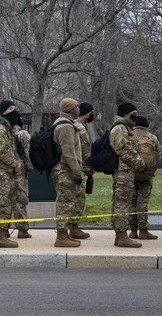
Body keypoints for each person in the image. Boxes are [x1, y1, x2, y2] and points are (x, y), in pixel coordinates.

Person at [109, 102, 147, 248]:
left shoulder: (126, 127)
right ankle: (122, 236)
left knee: (122, 202)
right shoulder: (120, 128)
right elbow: (123, 150)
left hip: (126, 172)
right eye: (134, 113)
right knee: (122, 204)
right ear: (126, 114)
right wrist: (141, 164)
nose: (136, 115)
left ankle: (120, 236)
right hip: (122, 172)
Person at [0, 101, 23, 248]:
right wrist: (16, 164)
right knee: (1, 204)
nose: (14, 112)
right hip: (1, 173)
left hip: (7, 173)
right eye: (11, 109)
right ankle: (0, 236)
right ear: (3, 112)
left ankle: (4, 232)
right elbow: (2, 151)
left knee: (7, 203)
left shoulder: (7, 128)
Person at [51, 98, 85, 248]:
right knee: (64, 203)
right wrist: (78, 172)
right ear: (71, 109)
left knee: (67, 202)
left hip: (65, 169)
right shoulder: (65, 126)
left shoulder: (66, 123)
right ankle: (61, 237)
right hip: (65, 171)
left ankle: (66, 234)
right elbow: (69, 153)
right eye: (77, 107)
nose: (79, 110)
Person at [129, 116, 159, 240]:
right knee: (142, 202)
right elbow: (157, 154)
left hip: (130, 173)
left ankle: (133, 231)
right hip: (146, 175)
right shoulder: (152, 137)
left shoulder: (129, 135)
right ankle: (143, 230)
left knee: (131, 201)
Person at [71, 102, 95, 240]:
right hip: (77, 168)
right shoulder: (79, 127)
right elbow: (84, 150)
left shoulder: (81, 126)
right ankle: (73, 228)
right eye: (91, 112)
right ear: (87, 113)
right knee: (77, 199)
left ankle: (74, 227)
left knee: (78, 198)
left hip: (80, 167)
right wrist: (89, 166)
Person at [12, 110, 33, 239]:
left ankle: (4, 230)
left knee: (5, 202)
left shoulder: (1, 131)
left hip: (3, 173)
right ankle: (22, 230)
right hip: (19, 170)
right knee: (20, 200)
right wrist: (29, 167)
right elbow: (27, 153)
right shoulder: (22, 134)